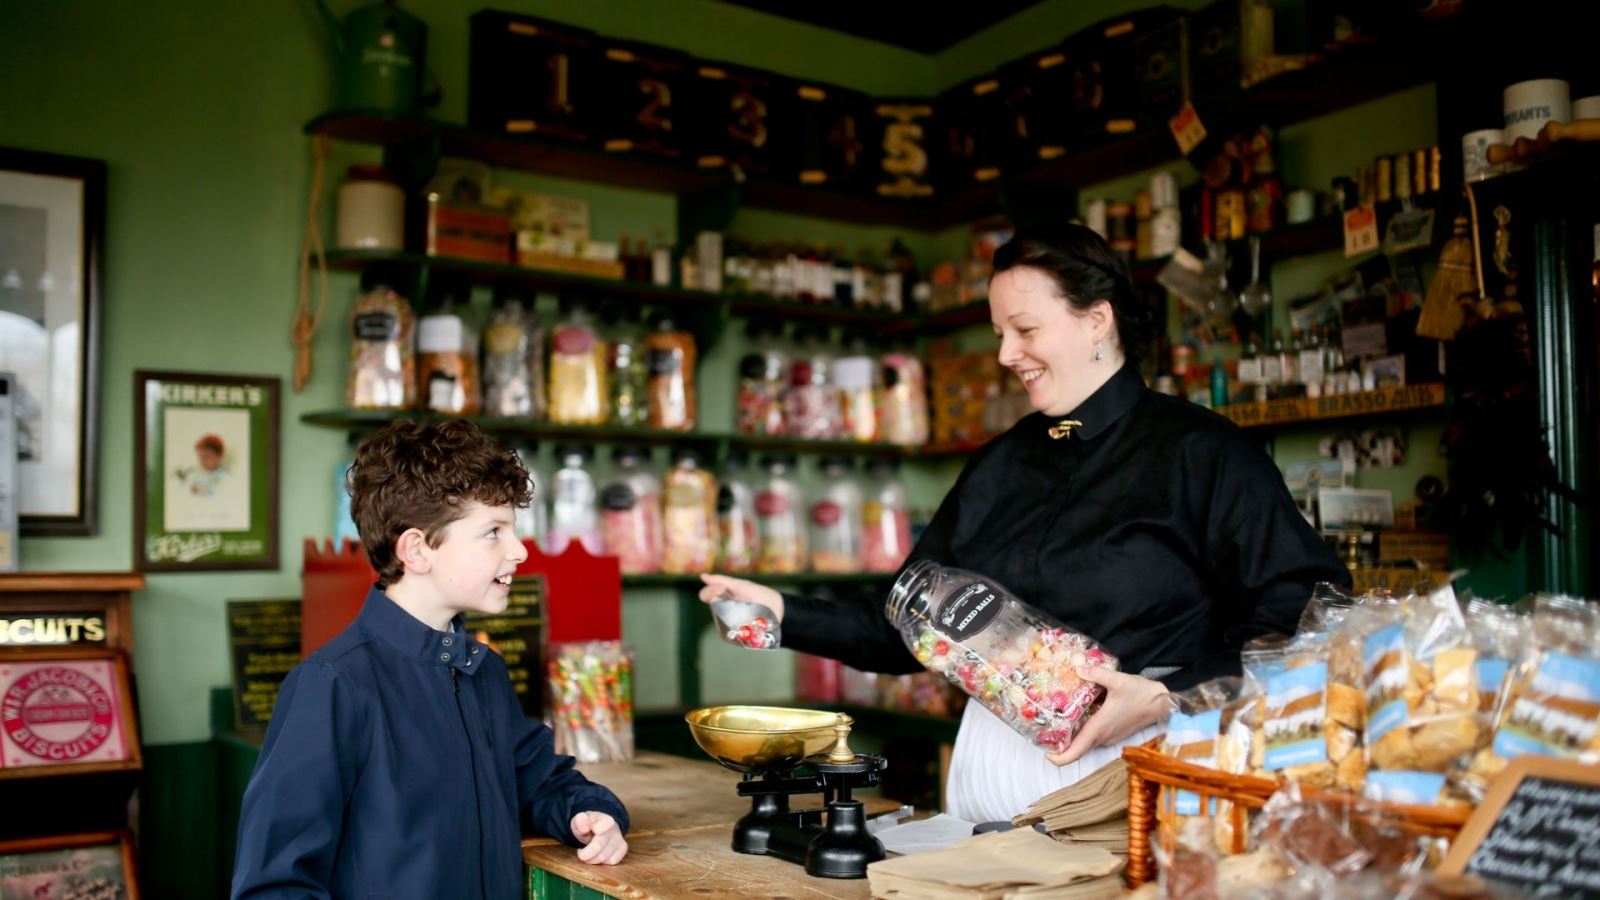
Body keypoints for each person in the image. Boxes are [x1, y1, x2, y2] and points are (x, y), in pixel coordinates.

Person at [702, 224, 1349, 823]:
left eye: (1025, 329)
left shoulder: (1202, 452)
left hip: (1139, 790)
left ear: (1096, 321)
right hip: (985, 800)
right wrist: (783, 612)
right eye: (999, 333)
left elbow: (1306, 617)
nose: (1007, 353)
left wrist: (1167, 696)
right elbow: (910, 627)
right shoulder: (998, 464)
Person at [233, 420, 628, 899]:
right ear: (417, 550)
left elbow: (540, 781)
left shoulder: (483, 670)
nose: (519, 551)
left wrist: (590, 812)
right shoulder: (330, 685)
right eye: (493, 532)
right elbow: (274, 885)